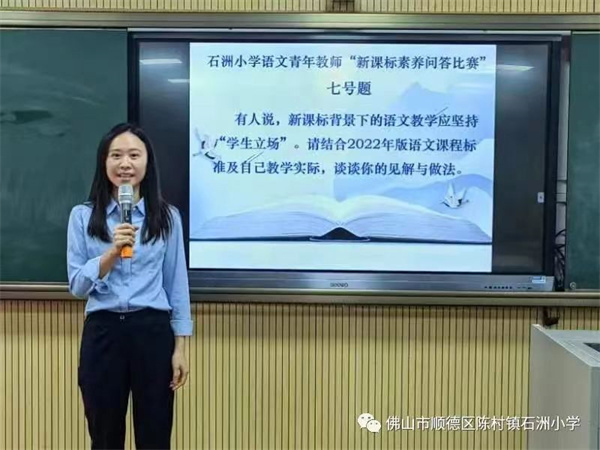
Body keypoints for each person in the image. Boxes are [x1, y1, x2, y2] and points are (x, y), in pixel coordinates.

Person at [67, 123, 193, 450]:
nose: (125, 164)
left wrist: (180, 348)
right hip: (103, 332)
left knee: (155, 435)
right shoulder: (82, 217)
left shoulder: (167, 217)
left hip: (152, 331)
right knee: (104, 435)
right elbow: (78, 285)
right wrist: (111, 253)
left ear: (147, 163)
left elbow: (176, 284)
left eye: (134, 155)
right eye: (116, 155)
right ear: (104, 162)